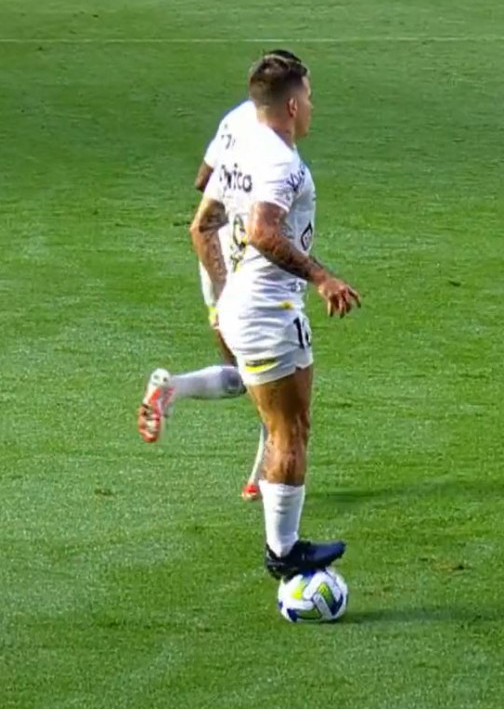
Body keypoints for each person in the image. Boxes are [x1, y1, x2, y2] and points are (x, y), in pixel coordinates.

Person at [188, 52, 361, 578]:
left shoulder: (240, 146)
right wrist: (322, 276)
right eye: (308, 96)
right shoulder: (282, 164)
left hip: (244, 302)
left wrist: (222, 296)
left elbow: (204, 222)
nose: (312, 105)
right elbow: (264, 231)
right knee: (290, 432)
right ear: (291, 104)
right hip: (269, 311)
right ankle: (283, 553)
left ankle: (280, 542)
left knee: (286, 426)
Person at [136, 50, 304, 503]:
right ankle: (263, 481)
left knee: (246, 372)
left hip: (215, 255)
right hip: (251, 269)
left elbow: (202, 181)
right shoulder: (272, 143)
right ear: (290, 98)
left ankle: (176, 391)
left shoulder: (236, 119)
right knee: (272, 378)